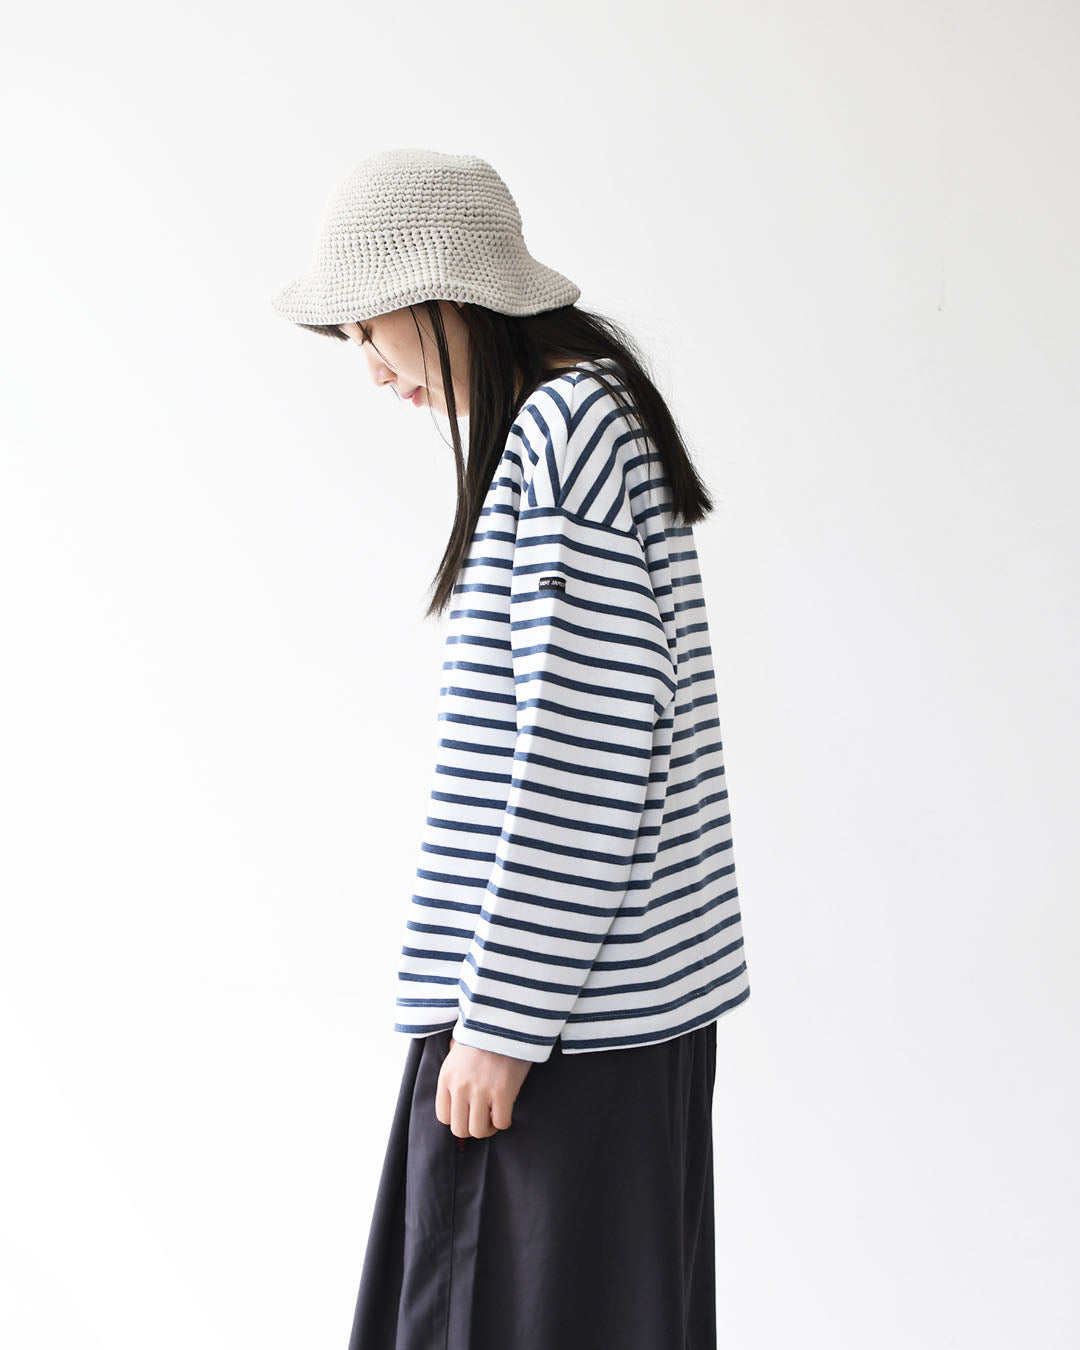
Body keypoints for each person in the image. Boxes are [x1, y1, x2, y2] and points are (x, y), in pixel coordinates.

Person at [272, 147, 751, 1350]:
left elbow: (582, 747)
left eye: (368, 325)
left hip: (561, 1022)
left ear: (443, 292)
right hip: (592, 1006)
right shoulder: (585, 416)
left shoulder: (567, 427)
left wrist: (500, 1021)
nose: (368, 363)